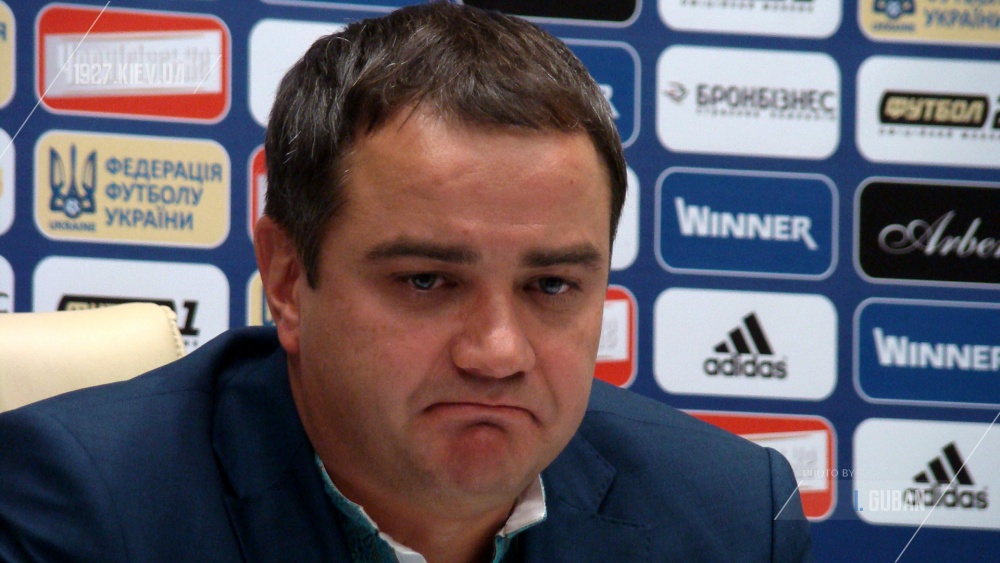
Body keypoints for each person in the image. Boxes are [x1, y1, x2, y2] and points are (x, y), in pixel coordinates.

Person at [0, 3, 812, 561]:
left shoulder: (732, 517)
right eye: (427, 280)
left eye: (552, 286)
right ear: (287, 277)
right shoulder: (88, 507)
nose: (498, 352)